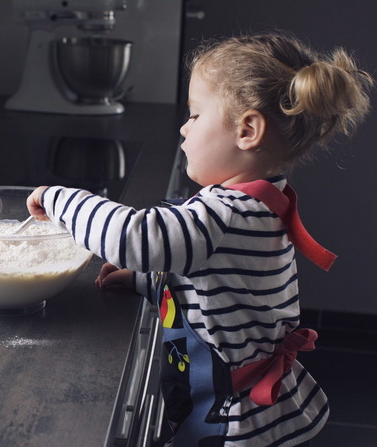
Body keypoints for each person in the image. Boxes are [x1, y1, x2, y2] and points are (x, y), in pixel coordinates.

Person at [26, 32, 373, 446]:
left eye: (194, 115)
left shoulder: (224, 214)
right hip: (242, 405)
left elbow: (136, 238)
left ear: (247, 130)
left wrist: (59, 197)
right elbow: (222, 284)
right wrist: (144, 281)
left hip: (233, 423)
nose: (183, 127)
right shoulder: (262, 200)